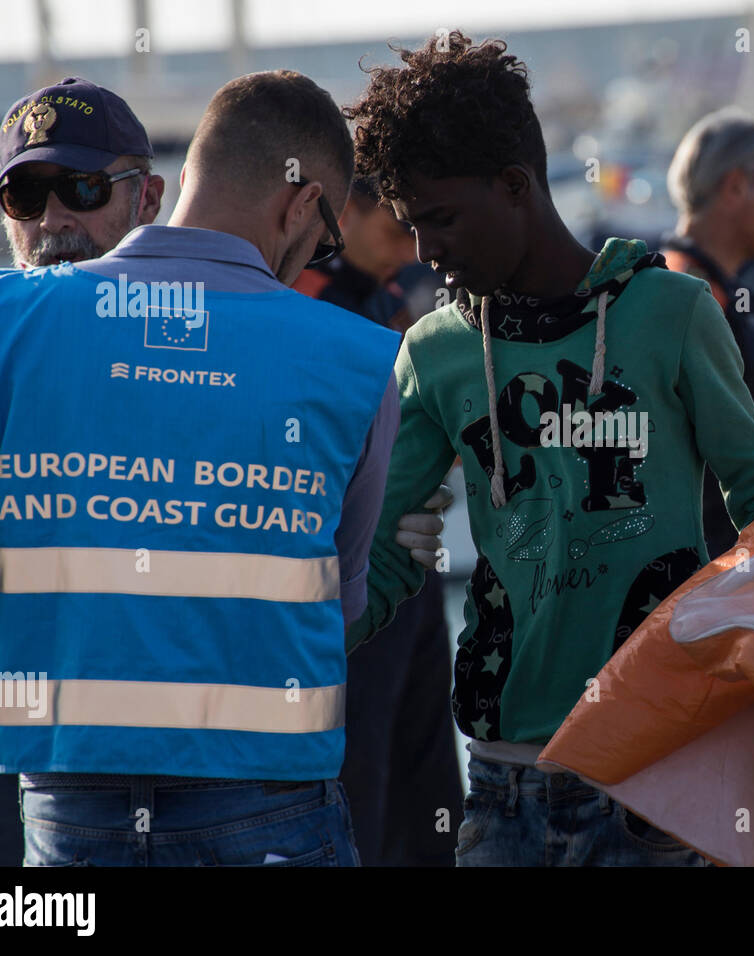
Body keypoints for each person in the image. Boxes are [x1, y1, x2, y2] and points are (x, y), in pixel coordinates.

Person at [0, 70, 440, 866]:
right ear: (303, 204)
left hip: (70, 816)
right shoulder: (359, 363)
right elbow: (335, 616)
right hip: (271, 817)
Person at [345, 31, 754, 866]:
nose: (423, 252)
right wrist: (270, 633)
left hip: (657, 778)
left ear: (516, 186)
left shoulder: (671, 313)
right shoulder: (434, 352)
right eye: (409, 226)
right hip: (501, 788)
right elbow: (378, 562)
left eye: (440, 219)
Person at [0, 76, 165, 867]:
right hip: (21, 737)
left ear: (148, 198)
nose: (52, 220)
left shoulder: (223, 338)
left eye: (79, 187)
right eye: (25, 196)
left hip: (194, 769)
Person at [294, 176, 464, 866]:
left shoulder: (388, 294)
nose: (408, 250)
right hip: (350, 576)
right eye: (395, 231)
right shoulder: (302, 299)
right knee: (358, 777)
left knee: (427, 778)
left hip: (412, 571)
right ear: (349, 212)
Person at [660, 108, 754, 559]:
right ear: (737, 186)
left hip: (747, 559)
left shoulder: (738, 302)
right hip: (710, 575)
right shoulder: (673, 298)